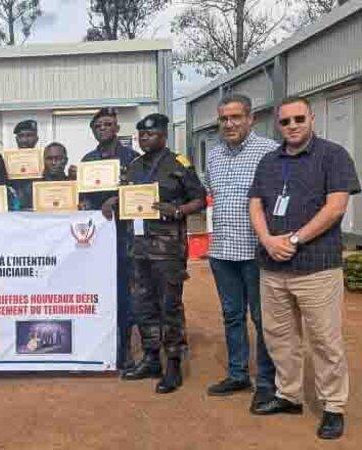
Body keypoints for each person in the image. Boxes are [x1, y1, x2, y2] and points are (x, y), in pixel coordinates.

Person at [248, 97, 359, 440]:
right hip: (273, 267)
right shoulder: (269, 161)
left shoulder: (333, 155)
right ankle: (289, 395)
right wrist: (267, 240)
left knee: (325, 340)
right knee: (280, 337)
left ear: (311, 118)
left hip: (316, 267)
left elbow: (336, 207)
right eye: (285, 121)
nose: (292, 126)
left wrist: (294, 240)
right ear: (277, 125)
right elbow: (255, 204)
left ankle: (333, 406)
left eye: (299, 119)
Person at [117, 113, 206, 394]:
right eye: (142, 135)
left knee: (169, 306)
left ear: (164, 136)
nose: (145, 139)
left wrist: (178, 210)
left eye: (151, 134)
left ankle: (174, 363)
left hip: (167, 250)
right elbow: (124, 198)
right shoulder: (133, 166)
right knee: (143, 304)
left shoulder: (178, 164)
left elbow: (200, 199)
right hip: (138, 248)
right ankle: (151, 358)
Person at [203, 94, 277, 410]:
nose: (229, 124)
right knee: (232, 316)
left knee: (263, 319)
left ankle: (267, 382)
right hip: (222, 251)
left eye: (236, 117)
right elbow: (211, 193)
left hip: (257, 251)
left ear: (250, 118)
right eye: (224, 119)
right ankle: (237, 374)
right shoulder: (214, 155)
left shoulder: (270, 151)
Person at [82, 107, 140, 371]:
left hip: (124, 235)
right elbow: (82, 196)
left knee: (124, 293)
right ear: (93, 131)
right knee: (98, 292)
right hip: (95, 238)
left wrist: (117, 199)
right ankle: (98, 346)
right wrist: (82, 201)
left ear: (117, 128)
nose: (103, 129)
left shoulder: (132, 158)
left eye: (108, 124)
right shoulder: (88, 160)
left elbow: (140, 190)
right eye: (98, 126)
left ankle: (124, 349)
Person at [10, 119, 40, 210]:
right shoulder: (8, 161)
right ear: (16, 139)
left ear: (36, 138)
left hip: (39, 208)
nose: (25, 140)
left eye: (29, 135)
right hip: (15, 209)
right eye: (21, 136)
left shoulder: (44, 159)